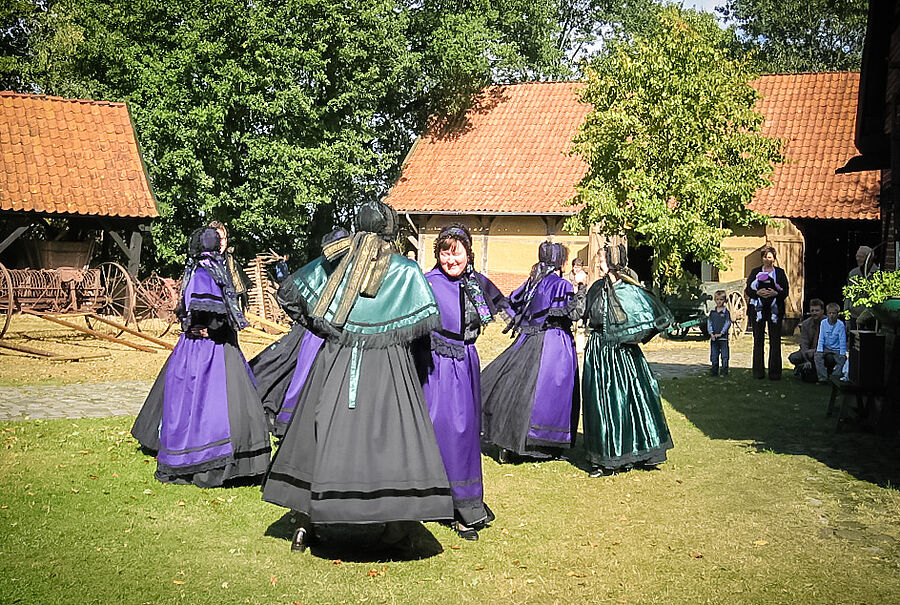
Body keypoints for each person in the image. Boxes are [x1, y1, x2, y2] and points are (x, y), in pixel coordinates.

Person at [261, 201, 453, 553]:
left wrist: (329, 329)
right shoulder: (406, 271)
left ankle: (305, 522)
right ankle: (396, 525)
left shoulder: (335, 262)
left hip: (336, 360)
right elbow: (423, 325)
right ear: (390, 231)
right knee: (392, 437)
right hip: (388, 366)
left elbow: (290, 294)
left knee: (318, 434)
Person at [131, 227, 270, 487]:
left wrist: (205, 327)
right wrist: (212, 328)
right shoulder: (209, 270)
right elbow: (210, 312)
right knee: (215, 403)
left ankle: (200, 454)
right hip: (208, 348)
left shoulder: (198, 269)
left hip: (204, 346)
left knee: (194, 403)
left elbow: (193, 310)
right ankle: (217, 460)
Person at [418, 223, 511, 541]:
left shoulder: (476, 283)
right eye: (445, 252)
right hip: (436, 365)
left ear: (468, 253)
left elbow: (507, 308)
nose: (450, 259)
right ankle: (440, 503)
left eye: (456, 251)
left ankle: (465, 507)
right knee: (442, 428)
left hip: (466, 364)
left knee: (466, 433)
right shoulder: (427, 283)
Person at [481, 241, 585, 465]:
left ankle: (509, 443)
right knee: (548, 395)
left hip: (527, 340)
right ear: (559, 261)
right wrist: (582, 287)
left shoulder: (533, 281)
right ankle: (541, 444)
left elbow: (513, 304)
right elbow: (574, 312)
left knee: (516, 390)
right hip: (554, 344)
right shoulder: (561, 285)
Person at [581, 244, 674, 477]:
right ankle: (606, 458)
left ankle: (635, 451)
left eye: (601, 260)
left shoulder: (630, 289)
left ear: (611, 263)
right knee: (602, 404)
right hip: (599, 352)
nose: (598, 264)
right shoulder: (595, 289)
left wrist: (631, 336)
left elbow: (649, 317)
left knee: (629, 400)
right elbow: (585, 313)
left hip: (624, 355)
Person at [248, 231, 350, 437]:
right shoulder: (319, 270)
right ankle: (272, 409)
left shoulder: (345, 273)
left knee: (293, 368)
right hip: (310, 331)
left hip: (321, 331)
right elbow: (291, 292)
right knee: (285, 365)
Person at [745, 246, 789, 380]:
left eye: (769, 257)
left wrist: (776, 293)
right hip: (758, 309)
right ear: (762, 258)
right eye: (765, 256)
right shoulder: (755, 272)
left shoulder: (780, 273)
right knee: (758, 340)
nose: (767, 259)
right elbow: (748, 290)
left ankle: (775, 373)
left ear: (774, 259)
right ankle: (758, 373)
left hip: (774, 310)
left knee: (775, 340)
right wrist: (758, 293)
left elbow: (785, 291)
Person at [209, 220, 255, 311]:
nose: (222, 243)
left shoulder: (230, 261)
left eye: (224, 239)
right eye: (218, 239)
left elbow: (238, 289)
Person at [788, 298, 825, 382]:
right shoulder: (805, 324)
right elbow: (804, 343)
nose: (814, 313)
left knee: (828, 358)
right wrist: (807, 359)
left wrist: (816, 351)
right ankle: (803, 366)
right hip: (808, 352)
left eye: (817, 310)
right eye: (812, 310)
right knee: (793, 357)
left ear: (822, 311)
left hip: (823, 351)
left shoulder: (827, 323)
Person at [844, 245, 880, 330]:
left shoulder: (877, 274)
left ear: (870, 258)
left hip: (871, 319)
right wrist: (847, 317)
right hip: (854, 316)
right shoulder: (853, 273)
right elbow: (848, 296)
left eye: (861, 257)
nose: (858, 259)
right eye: (857, 256)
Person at [815, 302, 847, 383]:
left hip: (837, 349)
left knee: (842, 360)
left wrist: (842, 353)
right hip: (826, 347)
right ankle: (823, 378)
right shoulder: (823, 323)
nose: (832, 315)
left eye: (834, 313)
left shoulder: (840, 325)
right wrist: (819, 350)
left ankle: (834, 377)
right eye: (830, 313)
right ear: (827, 314)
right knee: (817, 357)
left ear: (837, 314)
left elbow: (842, 340)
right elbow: (821, 337)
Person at [707, 290, 731, 377]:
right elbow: (709, 322)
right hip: (714, 338)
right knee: (714, 356)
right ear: (715, 300)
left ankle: (724, 371)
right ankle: (714, 371)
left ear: (724, 300)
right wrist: (711, 332)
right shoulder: (713, 313)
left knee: (725, 356)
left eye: (721, 299)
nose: (719, 301)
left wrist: (721, 333)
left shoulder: (726, 313)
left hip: (723, 338)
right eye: (717, 299)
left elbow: (727, 323)